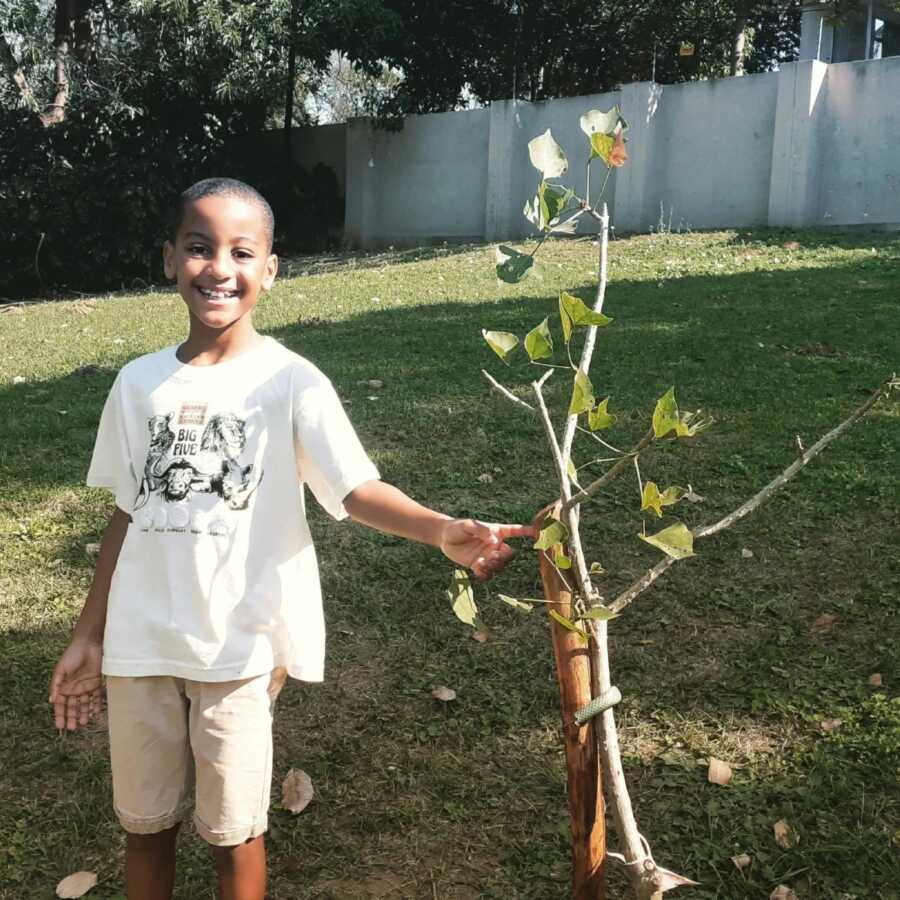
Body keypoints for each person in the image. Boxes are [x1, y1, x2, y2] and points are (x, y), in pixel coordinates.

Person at [48, 178, 533, 900]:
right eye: (198, 246)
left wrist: (440, 530)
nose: (219, 267)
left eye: (242, 251)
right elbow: (127, 511)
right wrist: (90, 634)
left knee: (234, 832)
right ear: (169, 259)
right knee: (144, 827)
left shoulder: (291, 381)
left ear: (270, 270)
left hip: (240, 651)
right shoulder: (136, 384)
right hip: (140, 645)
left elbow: (356, 489)